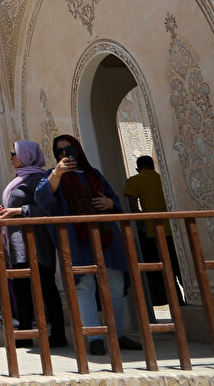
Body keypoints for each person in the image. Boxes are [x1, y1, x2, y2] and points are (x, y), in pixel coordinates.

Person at [36, 134, 141, 356]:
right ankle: (94, 338)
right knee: (85, 286)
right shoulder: (54, 176)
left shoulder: (94, 175)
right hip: (77, 239)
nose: (65, 154)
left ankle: (118, 334)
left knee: (115, 286)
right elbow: (43, 199)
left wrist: (109, 203)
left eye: (69, 149)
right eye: (60, 151)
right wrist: (58, 172)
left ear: (78, 150)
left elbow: (114, 200)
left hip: (106, 237)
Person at [0, 141, 67, 347]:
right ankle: (25, 334)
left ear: (26, 156)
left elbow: (46, 208)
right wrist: (4, 210)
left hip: (37, 242)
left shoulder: (39, 178)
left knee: (46, 286)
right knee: (22, 288)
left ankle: (58, 333)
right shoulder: (21, 178)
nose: (11, 158)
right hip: (19, 242)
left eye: (14, 154)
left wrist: (16, 212)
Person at [124, 155, 185, 308]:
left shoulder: (134, 181)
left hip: (152, 233)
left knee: (164, 272)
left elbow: (133, 209)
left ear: (138, 169)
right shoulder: (164, 179)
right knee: (180, 269)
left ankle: (178, 305)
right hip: (174, 232)